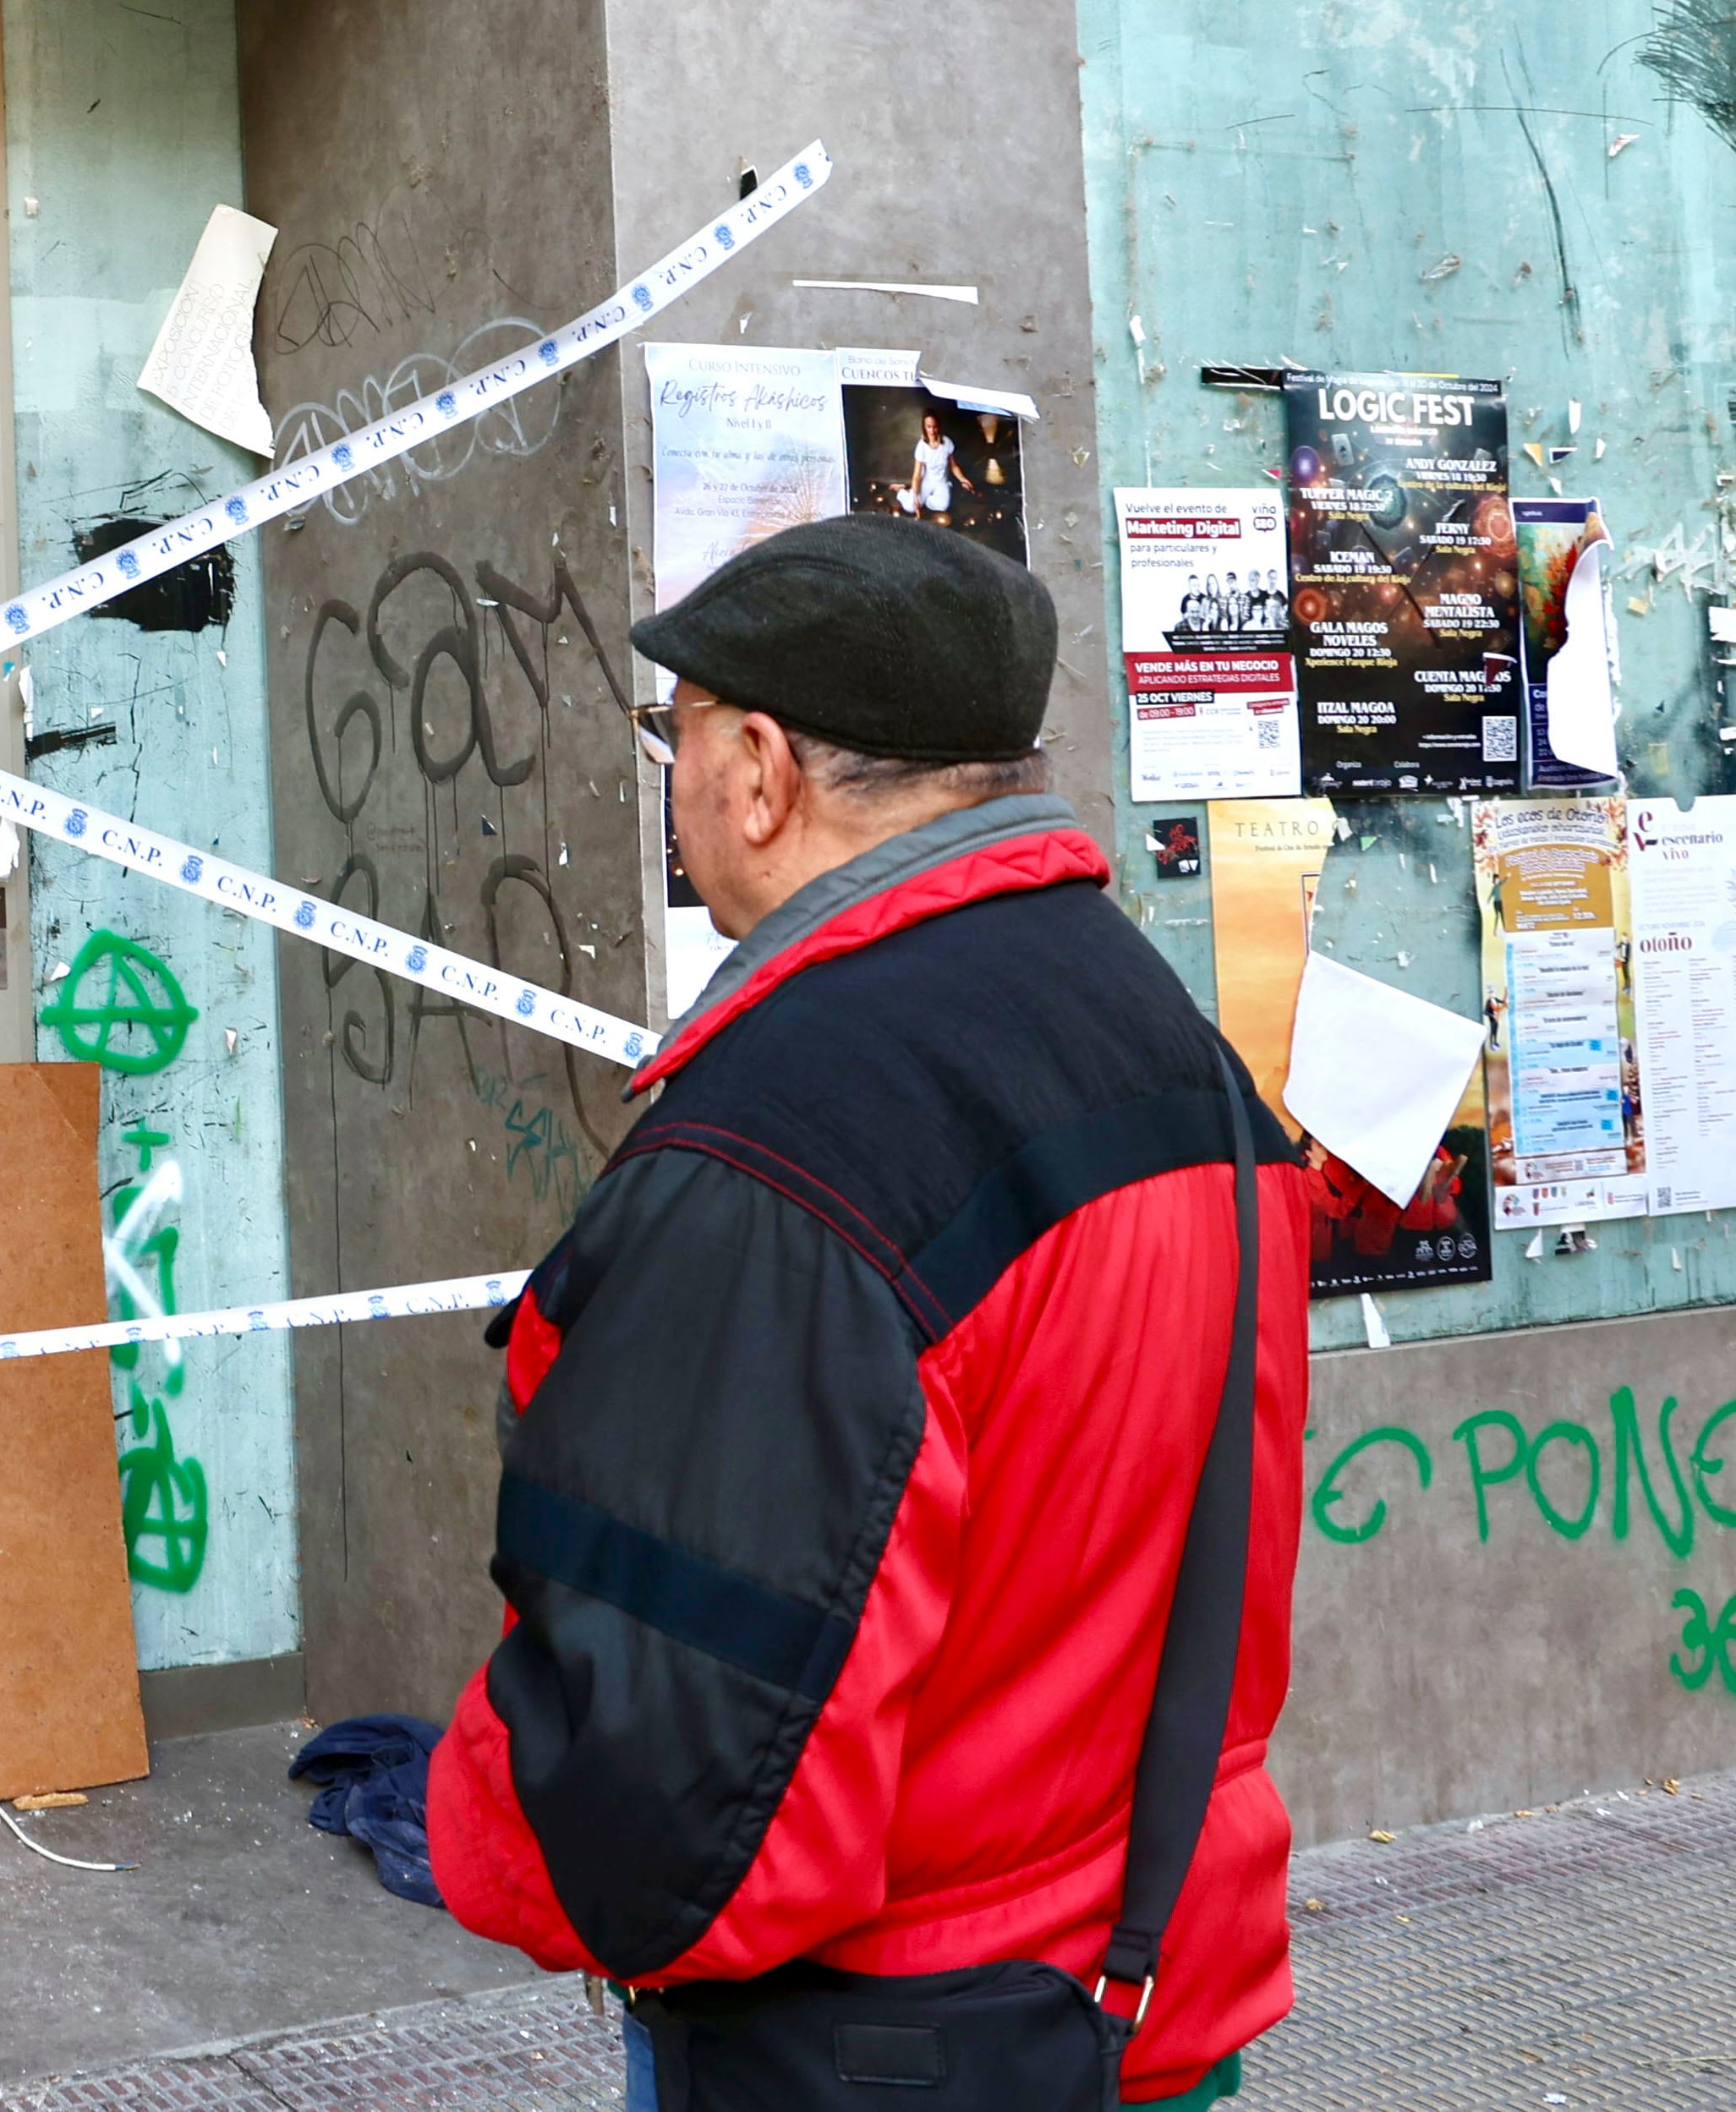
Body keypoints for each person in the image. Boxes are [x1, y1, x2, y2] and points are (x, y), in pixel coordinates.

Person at [432, 517, 1306, 2107]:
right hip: (1154, 1999)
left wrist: (489, 1814)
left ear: (758, 770)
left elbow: (682, 1807)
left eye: (672, 734)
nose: (676, 776)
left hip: (886, 2045)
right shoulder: (1174, 1049)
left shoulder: (788, 1151)